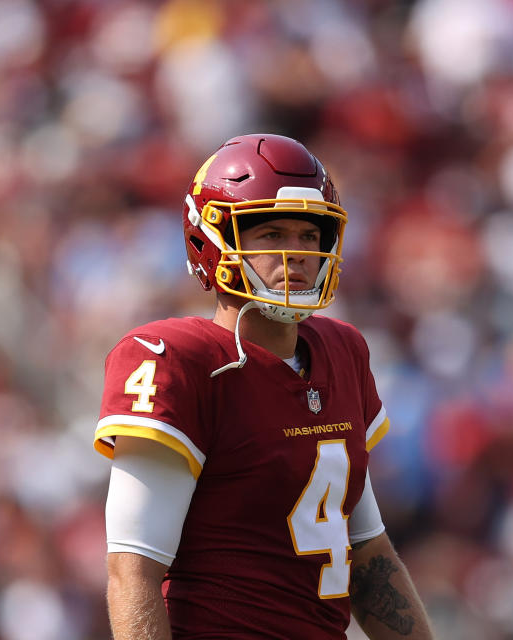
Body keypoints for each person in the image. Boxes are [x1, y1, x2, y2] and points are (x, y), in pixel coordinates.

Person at [93, 134, 434, 639]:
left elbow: (366, 551)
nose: (294, 254)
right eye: (271, 232)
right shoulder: (179, 361)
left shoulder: (343, 351)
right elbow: (133, 573)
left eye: (307, 236)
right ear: (210, 240)